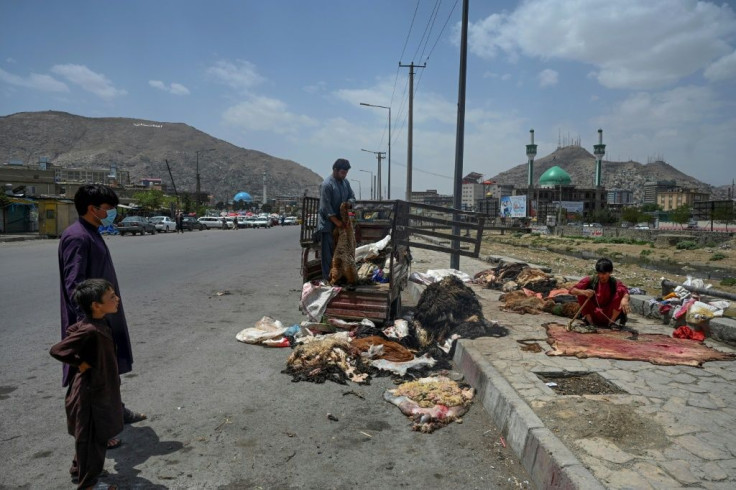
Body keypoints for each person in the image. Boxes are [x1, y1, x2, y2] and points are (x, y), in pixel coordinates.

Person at [58, 185, 146, 445]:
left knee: (108, 371)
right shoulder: (77, 237)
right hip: (91, 322)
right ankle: (96, 430)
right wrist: (89, 325)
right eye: (107, 209)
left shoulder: (91, 232)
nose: (111, 213)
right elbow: (75, 285)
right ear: (91, 209)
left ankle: (115, 412)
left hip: (103, 318)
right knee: (90, 378)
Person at [50, 279, 123, 489]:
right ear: (95, 305)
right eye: (111, 297)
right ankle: (89, 485)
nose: (117, 299)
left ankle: (78, 468)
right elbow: (57, 350)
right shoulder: (90, 330)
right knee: (93, 440)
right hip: (90, 394)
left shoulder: (96, 324)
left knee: (87, 437)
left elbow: (73, 330)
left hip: (97, 389)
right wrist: (79, 363)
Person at [316, 158, 356, 281]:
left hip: (341, 225)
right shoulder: (327, 185)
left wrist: (349, 203)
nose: (344, 175)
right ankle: (327, 280)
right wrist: (337, 223)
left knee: (341, 253)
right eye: (342, 172)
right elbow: (325, 208)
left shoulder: (345, 183)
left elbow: (352, 197)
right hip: (328, 225)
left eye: (346, 173)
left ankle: (340, 277)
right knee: (328, 255)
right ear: (335, 170)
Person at [569, 257, 631, 327]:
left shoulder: (614, 283)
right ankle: (590, 322)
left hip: (608, 314)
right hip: (593, 313)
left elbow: (625, 291)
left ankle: (611, 323)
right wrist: (584, 292)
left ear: (610, 272)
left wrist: (625, 299)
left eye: (604, 273)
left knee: (620, 293)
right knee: (580, 293)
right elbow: (572, 290)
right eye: (599, 273)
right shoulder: (590, 280)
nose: (601, 276)